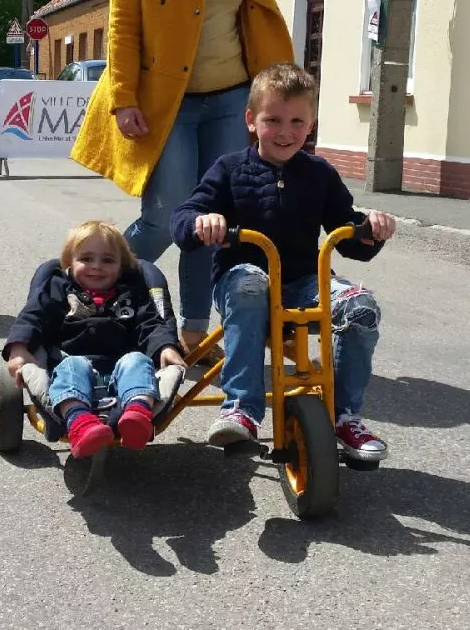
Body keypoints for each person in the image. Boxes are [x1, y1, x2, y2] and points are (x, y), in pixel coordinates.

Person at [70, 0, 295, 366]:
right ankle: (83, 296)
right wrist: (124, 97)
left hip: (229, 97)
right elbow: (122, 24)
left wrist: (275, 100)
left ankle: (193, 333)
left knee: (208, 222)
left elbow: (252, 20)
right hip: (167, 103)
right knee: (164, 216)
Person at [170, 63, 398, 459]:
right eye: (272, 119)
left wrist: (370, 229)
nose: (285, 131)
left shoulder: (319, 173)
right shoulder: (229, 169)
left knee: (361, 308)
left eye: (297, 121)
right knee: (251, 285)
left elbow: (347, 236)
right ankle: (241, 408)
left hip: (304, 281)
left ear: (311, 125)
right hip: (241, 279)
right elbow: (183, 220)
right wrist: (202, 222)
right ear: (250, 121)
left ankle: (344, 417)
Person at [3, 221, 187, 458]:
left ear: (122, 266)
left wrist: (166, 346)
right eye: (86, 259)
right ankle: (80, 423)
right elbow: (34, 316)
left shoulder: (131, 292)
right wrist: (19, 347)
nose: (96, 267)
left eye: (108, 260)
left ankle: (137, 415)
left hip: (122, 373)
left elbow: (150, 323)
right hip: (70, 366)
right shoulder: (60, 288)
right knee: (72, 366)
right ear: (70, 262)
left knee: (137, 360)